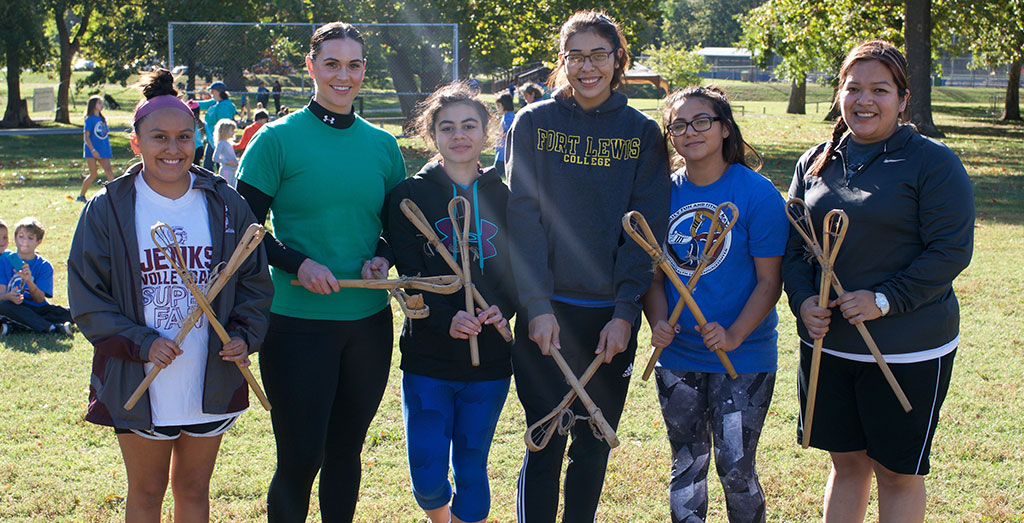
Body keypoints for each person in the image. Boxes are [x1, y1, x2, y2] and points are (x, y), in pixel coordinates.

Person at [67, 68, 273, 522]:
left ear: (197, 139)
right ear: (136, 143)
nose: (173, 148)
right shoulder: (109, 208)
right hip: (140, 378)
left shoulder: (224, 203)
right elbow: (87, 297)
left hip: (209, 376)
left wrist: (243, 334)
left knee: (195, 492)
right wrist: (141, 342)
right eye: (158, 137)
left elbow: (255, 284)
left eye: (184, 137)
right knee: (145, 492)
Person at [781, 40, 974, 523]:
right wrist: (803, 301)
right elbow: (795, 244)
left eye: (880, 90)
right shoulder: (816, 161)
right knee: (846, 463)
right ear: (839, 93)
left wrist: (885, 300)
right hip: (831, 345)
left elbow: (950, 251)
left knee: (897, 472)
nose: (864, 100)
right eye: (854, 88)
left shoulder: (933, 162)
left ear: (904, 98)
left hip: (906, 348)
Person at [235, 21, 407, 522]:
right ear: (310, 68)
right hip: (297, 324)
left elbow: (396, 228)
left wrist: (383, 256)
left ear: (363, 72)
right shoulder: (276, 139)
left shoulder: (382, 146)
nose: (343, 75)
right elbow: (242, 231)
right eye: (331, 63)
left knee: (345, 454)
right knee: (301, 456)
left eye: (354, 65)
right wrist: (295, 262)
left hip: (368, 325)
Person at [505, 10, 670, 521]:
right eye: (575, 56)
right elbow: (522, 219)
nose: (586, 66)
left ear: (619, 60)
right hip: (546, 313)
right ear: (562, 62)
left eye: (598, 54)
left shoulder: (640, 132)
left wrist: (624, 313)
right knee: (544, 438)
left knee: (594, 441)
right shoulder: (534, 123)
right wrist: (535, 305)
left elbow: (644, 232)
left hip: (608, 319)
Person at [642, 85, 787, 523]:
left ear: (725, 128)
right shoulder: (659, 194)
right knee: (687, 464)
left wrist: (734, 333)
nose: (691, 132)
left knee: (736, 467)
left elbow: (769, 282)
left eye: (702, 121)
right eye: (679, 125)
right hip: (679, 357)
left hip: (742, 357)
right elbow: (652, 276)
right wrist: (659, 320)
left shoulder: (757, 195)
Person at [388, 82, 517, 523]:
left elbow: (519, 272)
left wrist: (503, 307)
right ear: (432, 136)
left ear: (487, 133)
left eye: (469, 126)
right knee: (426, 470)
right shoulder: (409, 196)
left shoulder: (507, 196)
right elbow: (407, 273)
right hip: (429, 355)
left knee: (472, 461)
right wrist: (445, 318)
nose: (459, 135)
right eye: (447, 128)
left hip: (490, 357)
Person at [0, 217, 73, 335]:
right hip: (13, 307)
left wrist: (29, 281)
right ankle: (51, 328)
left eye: (30, 238)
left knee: (72, 313)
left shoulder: (44, 266)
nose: (24, 242)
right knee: (3, 306)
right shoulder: (4, 260)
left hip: (38, 308)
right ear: (15, 238)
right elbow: (1, 294)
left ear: (38, 241)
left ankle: (13, 327)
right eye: (21, 237)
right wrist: (9, 296)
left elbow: (39, 300)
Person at [79, 95, 116, 202]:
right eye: (99, 103)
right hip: (92, 150)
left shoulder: (102, 119)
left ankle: (115, 194)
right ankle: (81, 195)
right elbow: (86, 137)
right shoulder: (89, 119)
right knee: (93, 173)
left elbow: (104, 135)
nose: (102, 105)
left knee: (108, 170)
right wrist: (93, 150)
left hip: (103, 149)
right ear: (93, 105)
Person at [196, 81, 236, 171]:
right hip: (212, 137)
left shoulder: (224, 106)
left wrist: (219, 138)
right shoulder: (216, 103)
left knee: (214, 162)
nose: (211, 93)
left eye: (212, 91)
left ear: (218, 91)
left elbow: (223, 125)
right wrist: (188, 103)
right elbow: (201, 104)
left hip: (218, 138)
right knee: (208, 162)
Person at [492, 92, 515, 178]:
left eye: (499, 106)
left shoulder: (508, 118)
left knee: (494, 177)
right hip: (501, 152)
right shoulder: (506, 116)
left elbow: (510, 134)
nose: (497, 108)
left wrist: (499, 134)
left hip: (503, 154)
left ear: (505, 105)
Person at [212, 118, 239, 187]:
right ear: (225, 131)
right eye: (232, 130)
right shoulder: (221, 143)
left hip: (232, 170)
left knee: (233, 189)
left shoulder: (228, 143)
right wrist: (228, 162)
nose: (233, 132)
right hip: (226, 171)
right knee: (226, 188)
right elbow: (215, 158)